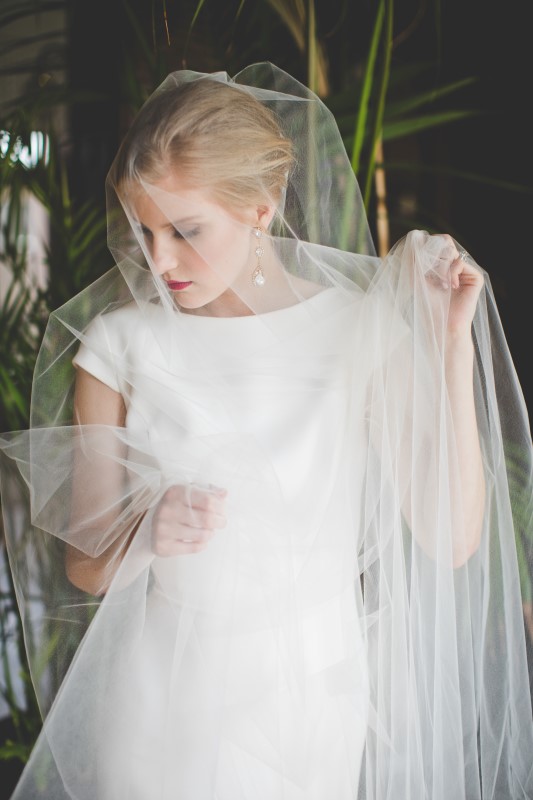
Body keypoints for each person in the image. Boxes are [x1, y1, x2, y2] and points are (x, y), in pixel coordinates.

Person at [1, 62, 532, 799]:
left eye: (186, 230)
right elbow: (84, 566)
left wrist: (446, 347)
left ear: (260, 206)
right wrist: (149, 527)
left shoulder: (357, 331)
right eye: (144, 229)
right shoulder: (118, 344)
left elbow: (450, 536)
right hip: (159, 701)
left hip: (309, 703)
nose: (159, 260)